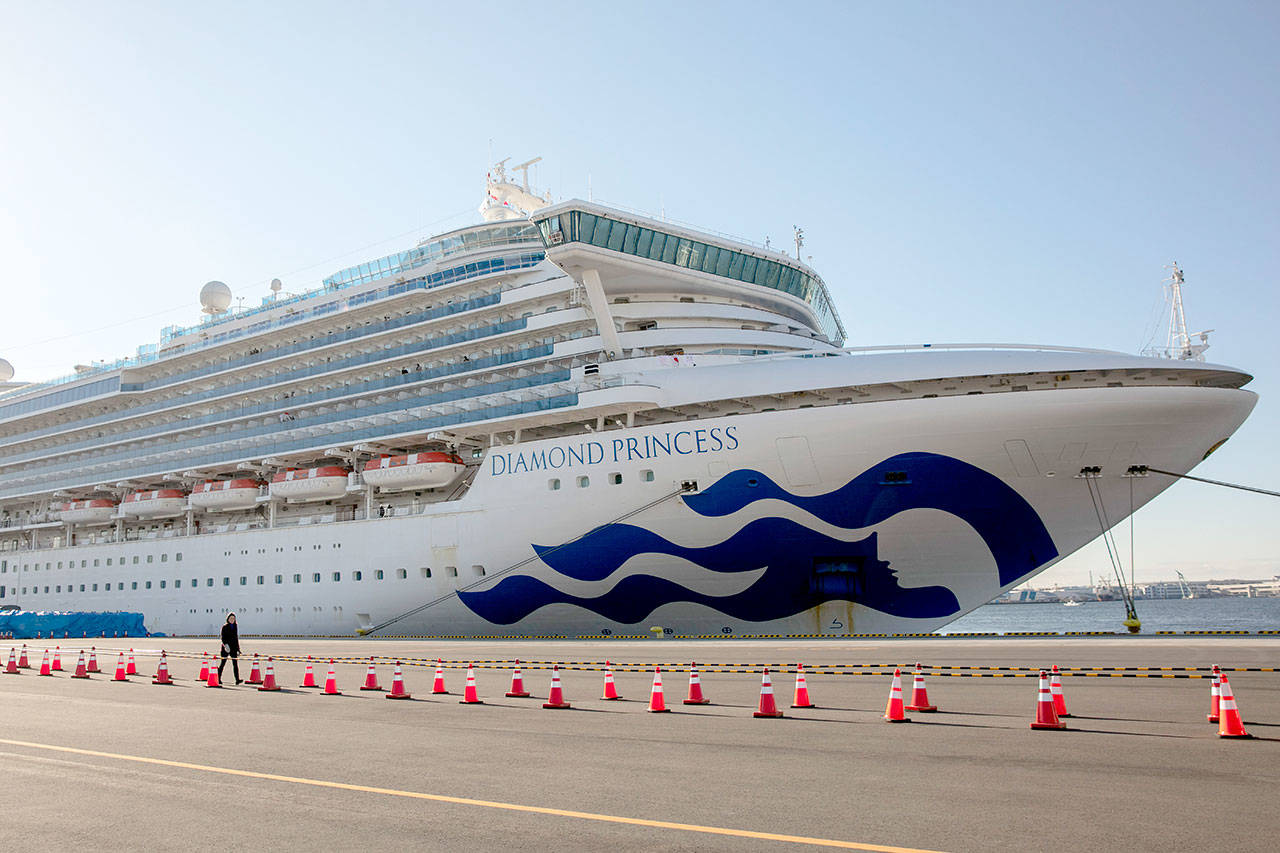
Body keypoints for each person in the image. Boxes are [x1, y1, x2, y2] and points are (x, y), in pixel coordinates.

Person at [218, 613, 242, 684]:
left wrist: (238, 649)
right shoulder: (224, 627)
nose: (232, 620)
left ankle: (237, 679)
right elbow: (223, 638)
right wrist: (225, 645)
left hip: (233, 648)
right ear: (228, 619)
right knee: (222, 664)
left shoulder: (235, 626)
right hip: (226, 648)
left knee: (235, 664)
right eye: (231, 618)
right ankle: (218, 678)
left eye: (233, 618)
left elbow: (236, 638)